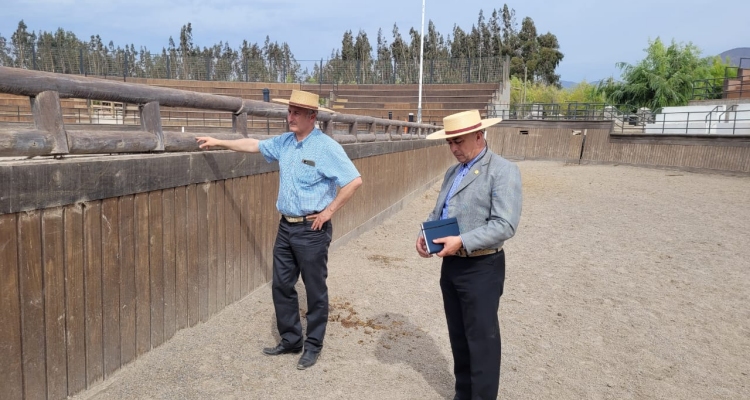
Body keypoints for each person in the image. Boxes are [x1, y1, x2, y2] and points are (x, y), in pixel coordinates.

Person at [196, 89, 363, 370]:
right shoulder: (285, 142)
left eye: (297, 113)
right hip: (286, 226)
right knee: (282, 285)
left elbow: (353, 181)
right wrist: (219, 142)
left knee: (314, 289)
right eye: (290, 111)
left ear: (313, 117)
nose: (291, 117)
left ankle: (313, 345)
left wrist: (328, 212)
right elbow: (254, 145)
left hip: (312, 228)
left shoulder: (326, 147)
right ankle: (291, 339)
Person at [415, 110, 522, 399]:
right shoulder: (453, 172)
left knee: (482, 341)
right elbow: (440, 211)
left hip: (482, 266)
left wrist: (461, 240)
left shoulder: (502, 170)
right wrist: (425, 237)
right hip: (451, 265)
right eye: (449, 143)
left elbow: (505, 224)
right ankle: (463, 394)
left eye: (458, 142)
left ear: (479, 135)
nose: (453, 149)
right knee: (459, 337)